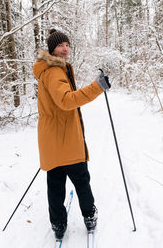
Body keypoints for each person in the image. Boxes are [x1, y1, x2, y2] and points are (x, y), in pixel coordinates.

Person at [32, 29, 111, 240]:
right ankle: (89, 216)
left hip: (52, 139)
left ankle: (58, 225)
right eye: (60, 45)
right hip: (66, 138)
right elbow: (66, 101)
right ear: (52, 49)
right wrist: (97, 87)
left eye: (67, 44)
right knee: (81, 181)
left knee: (55, 185)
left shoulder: (50, 70)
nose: (65, 48)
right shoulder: (54, 71)